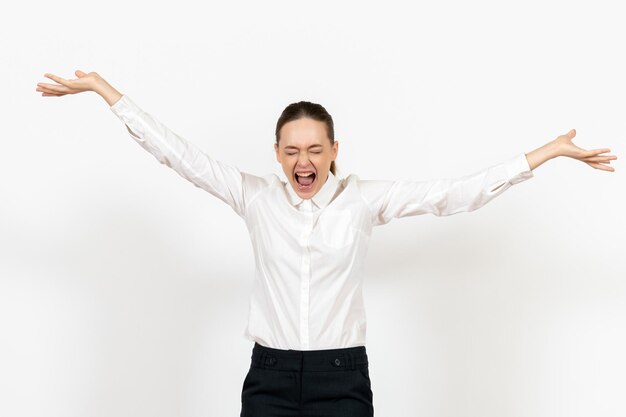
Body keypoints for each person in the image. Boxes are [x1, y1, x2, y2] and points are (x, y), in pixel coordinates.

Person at [36, 70, 617, 417]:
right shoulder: (254, 197)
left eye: (314, 149)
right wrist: (103, 90)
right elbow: (178, 154)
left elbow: (453, 194)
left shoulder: (363, 200)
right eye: (291, 150)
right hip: (268, 378)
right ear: (277, 154)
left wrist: (545, 153)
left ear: (334, 150)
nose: (302, 161)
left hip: (342, 379)